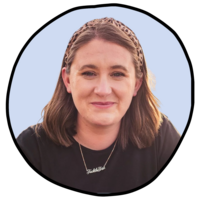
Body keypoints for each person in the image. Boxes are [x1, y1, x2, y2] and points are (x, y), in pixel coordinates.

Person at [16, 17, 181, 193]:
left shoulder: (162, 140)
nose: (103, 90)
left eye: (117, 74)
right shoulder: (32, 148)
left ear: (137, 84)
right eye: (89, 73)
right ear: (67, 80)